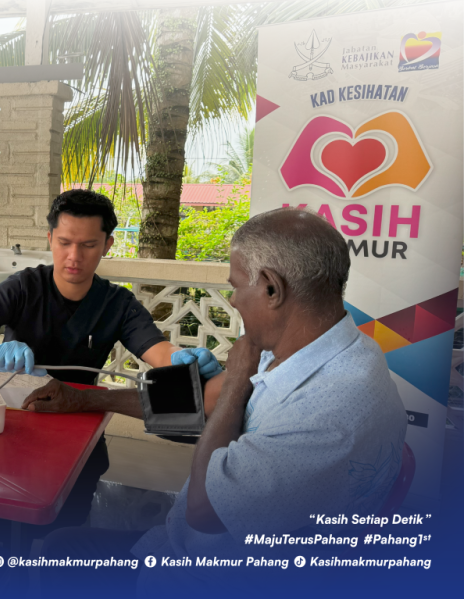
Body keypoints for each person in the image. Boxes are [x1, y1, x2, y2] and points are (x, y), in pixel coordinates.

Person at [24, 207, 407, 596]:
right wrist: (85, 400)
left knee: (61, 554)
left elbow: (204, 511)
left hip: (211, 576)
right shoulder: (331, 349)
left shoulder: (326, 412)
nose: (234, 301)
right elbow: (202, 403)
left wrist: (237, 381)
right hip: (217, 553)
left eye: (236, 286)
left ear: (271, 289)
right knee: (65, 546)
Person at [0, 189, 221, 529]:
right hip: (12, 419)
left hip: (77, 422)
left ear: (107, 245)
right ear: (50, 239)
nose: (74, 256)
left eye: (89, 245)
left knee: (67, 521)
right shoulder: (24, 287)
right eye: (64, 242)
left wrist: (182, 358)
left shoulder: (117, 304)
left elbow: (157, 350)